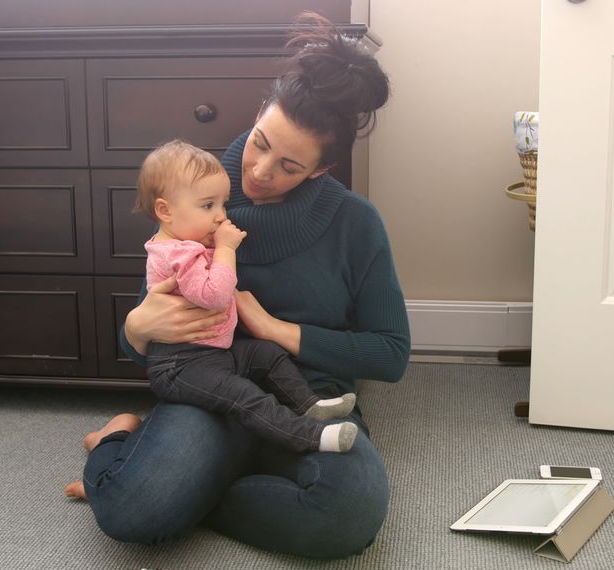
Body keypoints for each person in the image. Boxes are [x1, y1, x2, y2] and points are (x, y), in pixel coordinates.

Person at [64, 12, 409, 559]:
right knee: (130, 512)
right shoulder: (197, 193)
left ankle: (189, 494)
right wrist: (135, 327)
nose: (260, 171)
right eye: (260, 141)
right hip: (209, 391)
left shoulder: (356, 224)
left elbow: (390, 355)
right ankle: (117, 438)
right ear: (256, 116)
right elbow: (147, 348)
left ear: (320, 171)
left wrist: (276, 330)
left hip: (306, 398)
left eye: (289, 165)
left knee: (348, 517)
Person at [133, 139, 359, 454]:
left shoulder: (190, 241)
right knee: (245, 396)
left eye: (223, 204)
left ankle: (309, 403)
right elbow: (213, 295)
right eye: (208, 205)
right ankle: (308, 436)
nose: (221, 216)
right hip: (181, 365)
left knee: (265, 354)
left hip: (214, 352)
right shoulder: (177, 254)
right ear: (164, 211)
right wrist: (225, 249)